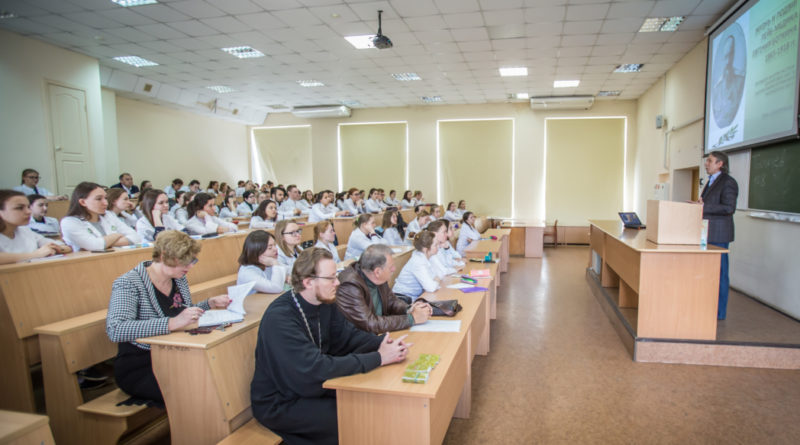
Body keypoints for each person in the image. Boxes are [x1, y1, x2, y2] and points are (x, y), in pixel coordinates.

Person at [250, 247, 410, 445]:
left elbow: (348, 337)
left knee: (369, 400)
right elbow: (314, 368)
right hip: (281, 400)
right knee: (352, 415)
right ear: (308, 282)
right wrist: (378, 358)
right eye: (331, 278)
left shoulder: (324, 302)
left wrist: (385, 344)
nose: (338, 283)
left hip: (313, 386)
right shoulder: (279, 318)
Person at [106, 230, 231, 402]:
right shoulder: (129, 283)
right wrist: (171, 323)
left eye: (193, 261)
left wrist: (209, 304)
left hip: (176, 356)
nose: (191, 266)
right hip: (142, 364)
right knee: (199, 387)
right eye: (185, 262)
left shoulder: (178, 278)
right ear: (164, 256)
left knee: (220, 374)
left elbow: (182, 312)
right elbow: (116, 329)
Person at [336, 244, 432, 334]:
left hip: (379, 334)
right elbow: (369, 323)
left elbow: (392, 301)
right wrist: (411, 319)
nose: (394, 269)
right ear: (377, 272)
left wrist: (409, 309)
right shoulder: (350, 286)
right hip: (362, 341)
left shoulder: (377, 277)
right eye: (391, 267)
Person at [698, 151, 739, 320]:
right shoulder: (710, 182)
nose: (706, 164)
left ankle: (719, 313)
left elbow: (729, 208)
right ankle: (707, 306)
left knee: (720, 273)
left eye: (710, 161)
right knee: (707, 274)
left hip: (719, 235)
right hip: (706, 233)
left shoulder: (728, 182)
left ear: (720, 164)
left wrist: (703, 207)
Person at [60, 182, 141, 251]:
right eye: (99, 199)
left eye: (105, 198)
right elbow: (94, 245)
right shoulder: (70, 222)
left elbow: (136, 237)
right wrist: (117, 235)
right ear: (83, 202)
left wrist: (106, 243)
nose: (105, 203)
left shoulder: (108, 215)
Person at [0, 190, 71, 264]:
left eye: (28, 207)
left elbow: (63, 246)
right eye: (20, 208)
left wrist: (58, 248)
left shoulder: (25, 231)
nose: (28, 212)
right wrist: (36, 254)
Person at [392, 231, 442, 301]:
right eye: (435, 245)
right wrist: (436, 280)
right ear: (426, 249)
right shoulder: (418, 262)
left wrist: (436, 280)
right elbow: (431, 287)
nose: (439, 247)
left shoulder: (426, 257)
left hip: (413, 297)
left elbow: (437, 276)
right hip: (403, 299)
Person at [712, 34, 745, 129]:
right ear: (722, 57)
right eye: (726, 56)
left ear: (733, 54)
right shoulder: (717, 88)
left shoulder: (740, 80)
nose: (727, 62)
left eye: (730, 55)